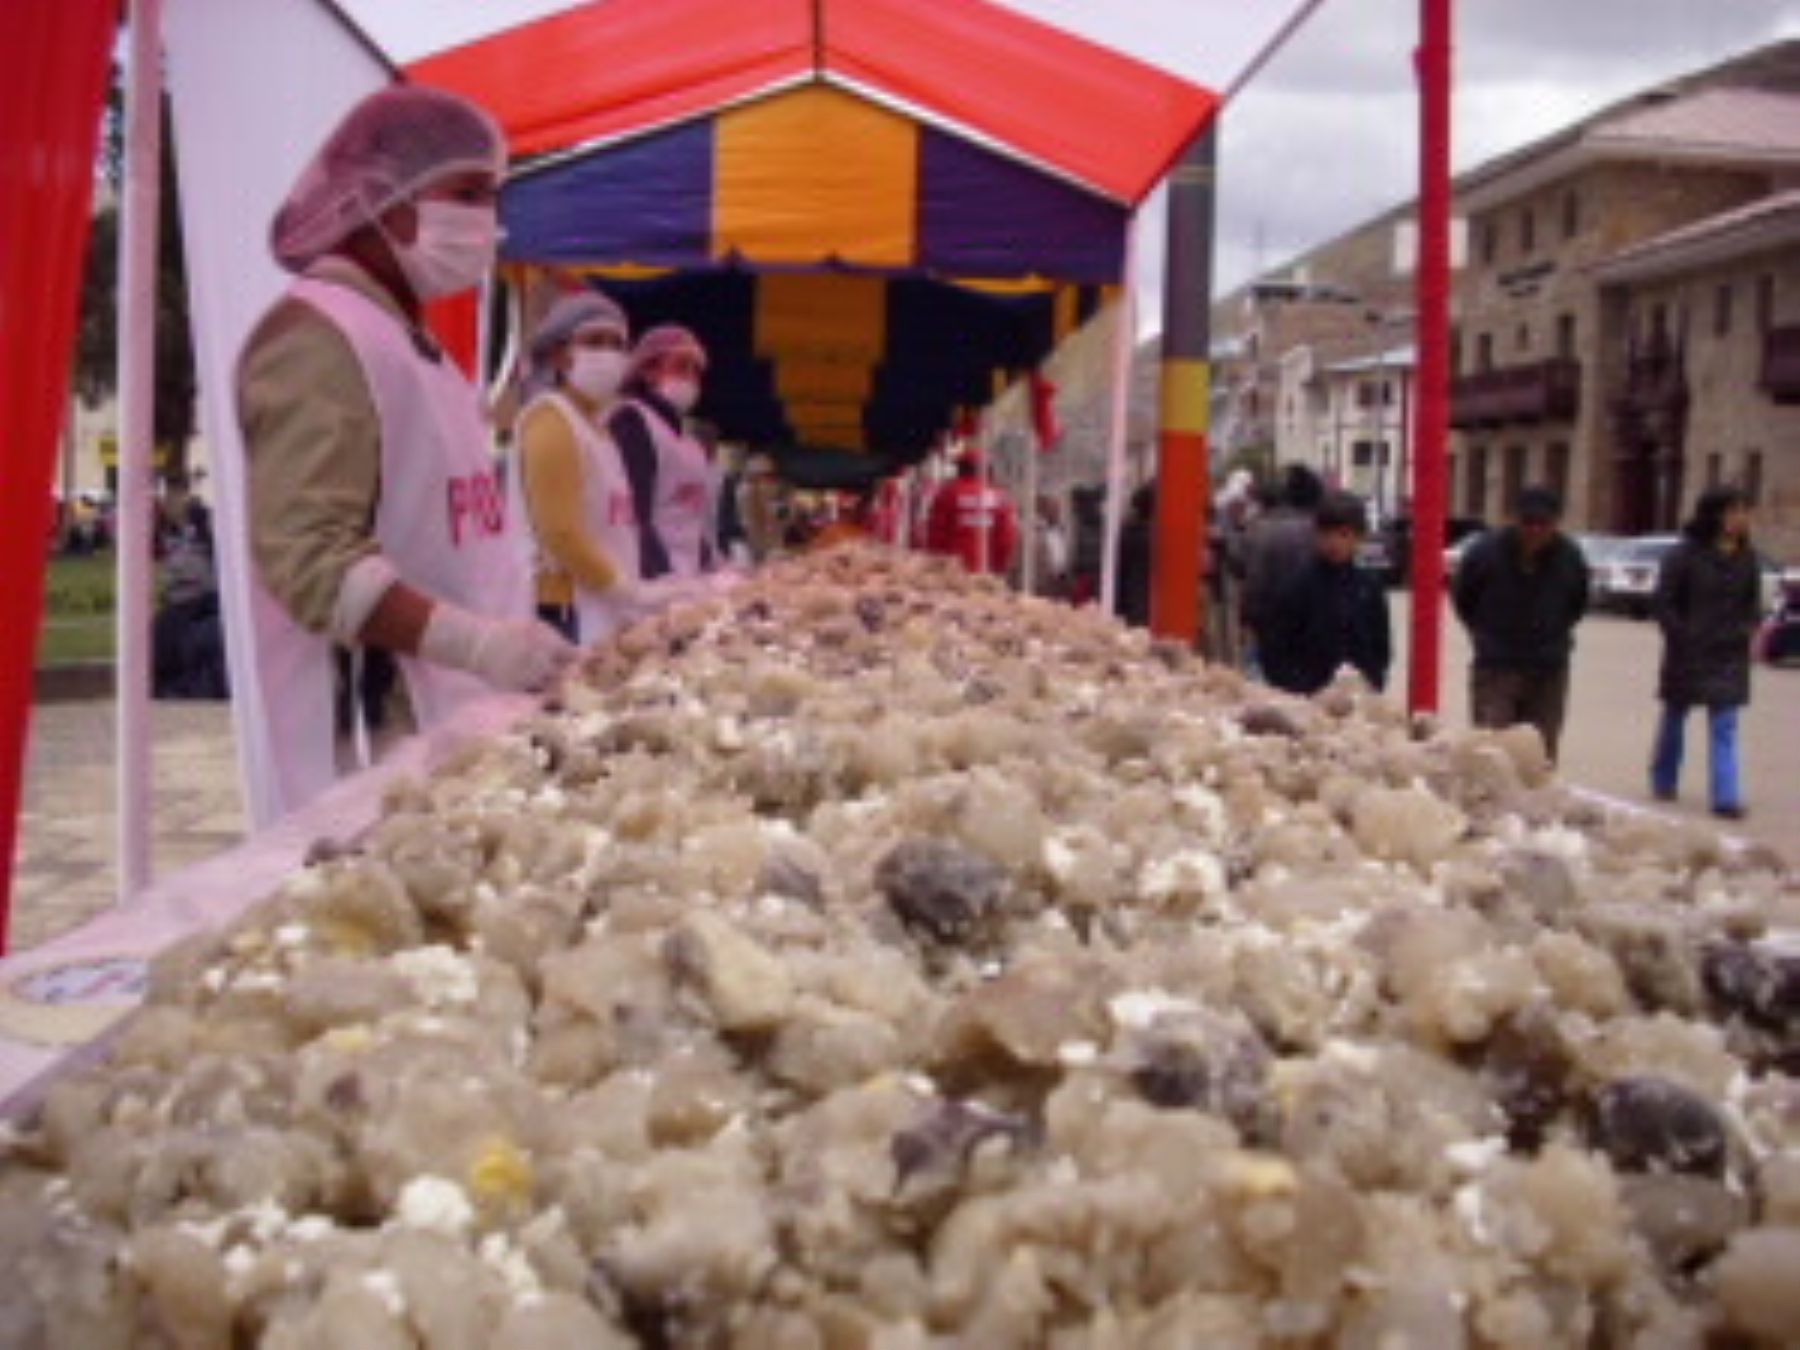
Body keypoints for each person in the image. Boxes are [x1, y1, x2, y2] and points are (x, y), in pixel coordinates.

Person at [237, 86, 572, 811]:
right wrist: (474, 643)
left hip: (454, 726)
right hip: (376, 744)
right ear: (383, 201)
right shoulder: (318, 339)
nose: (491, 220)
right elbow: (309, 558)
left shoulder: (409, 340)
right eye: (468, 193)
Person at [508, 290, 667, 645]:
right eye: (594, 341)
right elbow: (560, 534)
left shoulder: (598, 427)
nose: (608, 353)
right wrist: (629, 591)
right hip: (565, 610)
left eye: (617, 344)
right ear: (561, 355)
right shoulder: (550, 419)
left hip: (602, 606)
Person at [1452, 485, 1590, 761]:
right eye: (1528, 522)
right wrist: (1485, 635)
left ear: (1556, 523)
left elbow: (1577, 603)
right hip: (1497, 666)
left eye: (1544, 524)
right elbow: (1464, 597)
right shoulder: (1484, 553)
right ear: (1515, 520)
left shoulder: (1570, 557)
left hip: (1548, 667)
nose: (1535, 531)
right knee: (1491, 748)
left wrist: (1552, 633)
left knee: (1539, 752)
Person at [1650, 486, 1763, 820]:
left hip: (1729, 652)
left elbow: (1752, 604)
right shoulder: (1683, 555)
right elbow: (1664, 603)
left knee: (1725, 724)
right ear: (1715, 515)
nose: (1741, 518)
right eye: (1734, 510)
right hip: (1688, 650)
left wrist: (1747, 630)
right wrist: (1681, 635)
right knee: (1675, 717)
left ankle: (1726, 796)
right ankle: (1664, 778)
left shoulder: (1747, 557)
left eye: (1744, 510)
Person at [607, 325, 725, 582]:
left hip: (688, 581)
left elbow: (691, 521)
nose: (691, 378)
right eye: (681, 366)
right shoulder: (632, 421)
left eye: (696, 371)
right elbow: (634, 516)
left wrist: (715, 567)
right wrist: (663, 578)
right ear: (649, 370)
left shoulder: (690, 442)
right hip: (650, 582)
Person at [1259, 491, 1390, 696]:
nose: (1334, 542)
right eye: (1327, 534)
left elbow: (1380, 647)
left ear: (1359, 537)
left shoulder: (1369, 587)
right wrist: (1298, 690)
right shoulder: (1297, 585)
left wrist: (1372, 682)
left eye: (1344, 535)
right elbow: (1274, 649)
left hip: (1358, 701)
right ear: (1316, 535)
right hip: (1307, 699)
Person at [1239, 463, 1325, 662]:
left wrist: (1247, 619)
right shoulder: (1323, 532)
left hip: (1269, 624)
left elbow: (1253, 580)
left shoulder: (1261, 528)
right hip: (1312, 627)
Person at [925, 451, 1020, 576]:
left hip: (950, 572)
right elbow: (1007, 539)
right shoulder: (1001, 498)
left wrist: (936, 566)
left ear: (960, 469)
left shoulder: (946, 494)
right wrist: (999, 568)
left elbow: (935, 535)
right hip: (986, 571)